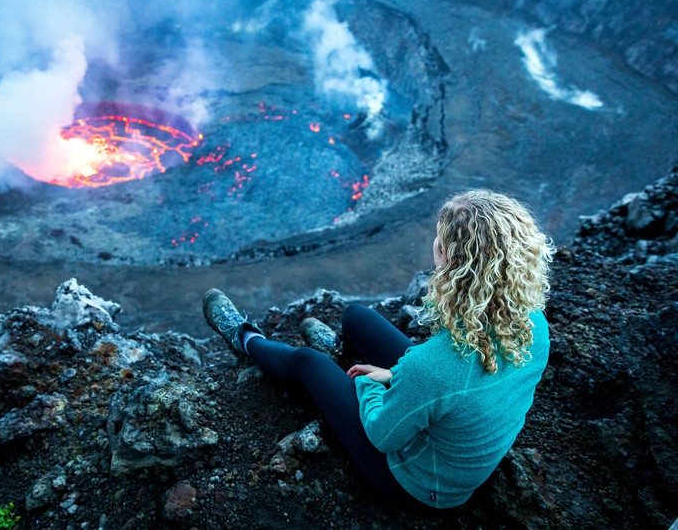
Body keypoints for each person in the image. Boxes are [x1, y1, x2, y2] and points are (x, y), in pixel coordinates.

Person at [202, 190, 555, 509]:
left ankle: (246, 339)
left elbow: (383, 435)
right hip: (451, 417)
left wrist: (369, 384)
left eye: (439, 242)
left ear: (449, 260)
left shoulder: (433, 367)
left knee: (307, 361)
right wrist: (397, 376)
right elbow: (462, 384)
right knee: (357, 318)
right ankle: (341, 352)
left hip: (421, 483)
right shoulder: (533, 322)